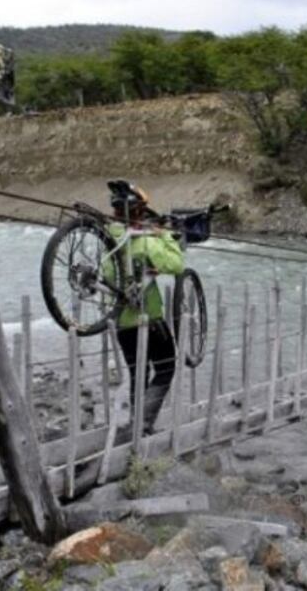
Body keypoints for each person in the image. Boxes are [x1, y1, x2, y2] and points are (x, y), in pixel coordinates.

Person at [105, 180, 184, 435]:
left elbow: (106, 273)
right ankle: (142, 424)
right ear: (140, 213)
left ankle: (135, 425)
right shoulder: (148, 240)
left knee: (137, 372)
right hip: (148, 318)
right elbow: (176, 265)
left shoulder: (111, 237)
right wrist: (165, 237)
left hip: (121, 322)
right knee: (166, 367)